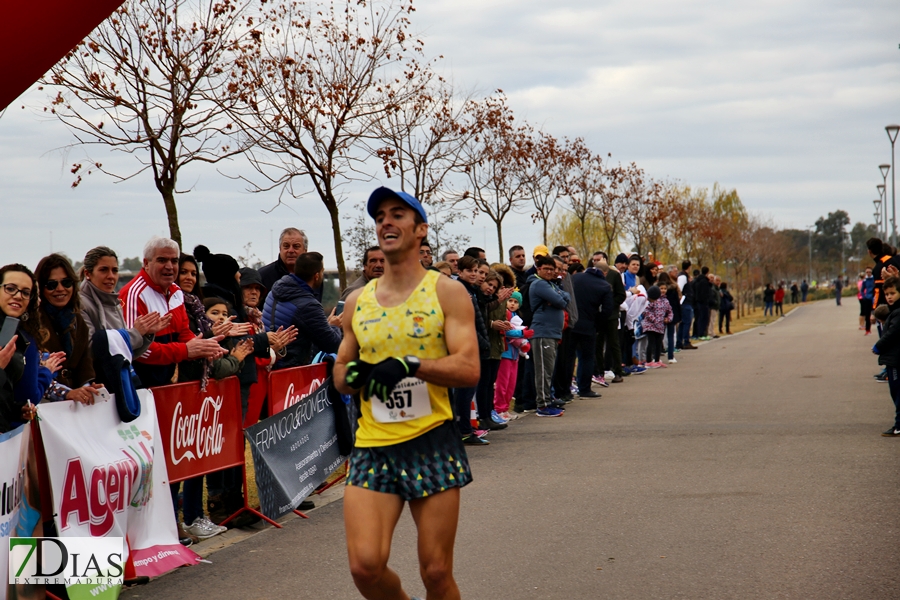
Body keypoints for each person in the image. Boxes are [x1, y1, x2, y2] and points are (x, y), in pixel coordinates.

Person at [333, 186, 479, 600]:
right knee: (365, 567)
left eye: (398, 214)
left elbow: (469, 367)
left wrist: (411, 365)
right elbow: (340, 374)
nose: (386, 222)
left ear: (420, 230)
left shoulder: (445, 291)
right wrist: (356, 374)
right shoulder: (357, 301)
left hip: (430, 441)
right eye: (380, 217)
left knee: (435, 572)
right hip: (373, 445)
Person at [120, 237, 226, 388]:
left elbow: (183, 332)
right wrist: (186, 350)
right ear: (146, 263)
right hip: (140, 386)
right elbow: (138, 350)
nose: (169, 266)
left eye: (174, 261)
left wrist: (203, 347)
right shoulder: (134, 294)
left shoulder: (176, 291)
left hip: (168, 384)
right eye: (162, 260)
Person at [34, 254, 102, 403]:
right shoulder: (32, 322)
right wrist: (67, 393)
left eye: (66, 282)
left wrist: (88, 386)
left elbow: (84, 361)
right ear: (40, 288)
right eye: (51, 285)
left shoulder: (78, 320)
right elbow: (33, 373)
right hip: (43, 405)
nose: (60, 289)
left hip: (73, 405)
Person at [79, 246, 166, 362]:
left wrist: (145, 335)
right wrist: (135, 333)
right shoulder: (80, 305)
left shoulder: (116, 304)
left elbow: (125, 356)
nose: (111, 276)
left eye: (114, 270)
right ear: (88, 273)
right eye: (104, 270)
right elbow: (91, 351)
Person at [0, 264, 59, 432]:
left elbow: (24, 397)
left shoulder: (24, 338)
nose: (18, 296)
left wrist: (20, 411)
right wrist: (46, 373)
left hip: (7, 438)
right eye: (10, 288)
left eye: (26, 292)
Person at [263, 252, 343, 370]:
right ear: (316, 275)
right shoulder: (308, 305)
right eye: (322, 271)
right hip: (291, 370)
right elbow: (331, 344)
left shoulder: (276, 290)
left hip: (272, 363)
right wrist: (334, 326)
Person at [528, 254, 570, 417]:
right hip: (542, 332)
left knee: (549, 370)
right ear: (538, 269)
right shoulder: (539, 284)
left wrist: (560, 298)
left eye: (552, 269)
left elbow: (566, 298)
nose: (550, 272)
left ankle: (547, 399)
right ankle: (543, 405)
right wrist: (559, 298)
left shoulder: (551, 285)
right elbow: (560, 301)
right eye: (546, 269)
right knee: (543, 371)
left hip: (552, 333)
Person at [570, 262, 614, 397]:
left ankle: (564, 390)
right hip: (588, 325)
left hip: (570, 324)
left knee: (568, 358)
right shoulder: (604, 286)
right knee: (587, 357)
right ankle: (584, 389)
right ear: (605, 273)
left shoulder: (575, 278)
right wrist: (597, 323)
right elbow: (607, 310)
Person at [493, 291, 531, 421]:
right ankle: (499, 409)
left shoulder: (516, 316)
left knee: (511, 384)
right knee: (502, 383)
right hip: (506, 353)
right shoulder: (505, 314)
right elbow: (507, 331)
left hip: (515, 355)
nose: (513, 304)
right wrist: (523, 334)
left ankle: (505, 408)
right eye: (511, 301)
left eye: (516, 302)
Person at [873, 276, 900, 437]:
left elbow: (892, 334)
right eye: (887, 294)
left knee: (897, 392)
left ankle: (899, 425)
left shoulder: (897, 313)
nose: (889, 297)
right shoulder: (894, 311)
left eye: (893, 293)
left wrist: (878, 346)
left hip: (896, 360)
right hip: (893, 359)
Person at [259, 227, 308, 293]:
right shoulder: (263, 276)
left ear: (305, 250)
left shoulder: (313, 276)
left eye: (296, 246)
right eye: (286, 246)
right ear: (280, 249)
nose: (290, 250)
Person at [642, 285, 672, 368]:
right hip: (650, 326)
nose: (663, 291)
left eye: (664, 289)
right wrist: (654, 319)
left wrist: (668, 319)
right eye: (661, 289)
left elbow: (670, 311)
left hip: (661, 326)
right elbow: (646, 311)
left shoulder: (665, 301)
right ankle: (648, 361)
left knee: (659, 343)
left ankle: (657, 360)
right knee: (651, 342)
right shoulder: (652, 301)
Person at [658, 272, 681, 363]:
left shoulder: (657, 289)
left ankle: (657, 356)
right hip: (672, 314)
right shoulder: (674, 288)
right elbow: (677, 303)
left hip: (660, 315)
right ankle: (671, 356)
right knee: (670, 335)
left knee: (659, 336)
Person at [677, 261, 696, 350]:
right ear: (689, 267)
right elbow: (679, 288)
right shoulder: (683, 277)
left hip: (686, 302)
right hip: (685, 302)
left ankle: (680, 342)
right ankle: (685, 341)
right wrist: (682, 298)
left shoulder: (684, 276)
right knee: (686, 322)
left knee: (683, 323)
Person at [692, 266, 712, 339]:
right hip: (703, 302)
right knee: (703, 318)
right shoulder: (704, 281)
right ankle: (701, 334)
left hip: (697, 301)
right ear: (707, 272)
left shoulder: (697, 280)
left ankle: (698, 333)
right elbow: (705, 293)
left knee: (699, 318)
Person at [860, 268, 875, 335]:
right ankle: (868, 330)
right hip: (868, 299)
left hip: (875, 298)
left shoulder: (874, 279)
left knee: (877, 314)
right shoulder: (865, 281)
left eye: (869, 272)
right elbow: (862, 290)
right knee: (867, 315)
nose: (868, 273)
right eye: (867, 272)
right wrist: (864, 297)